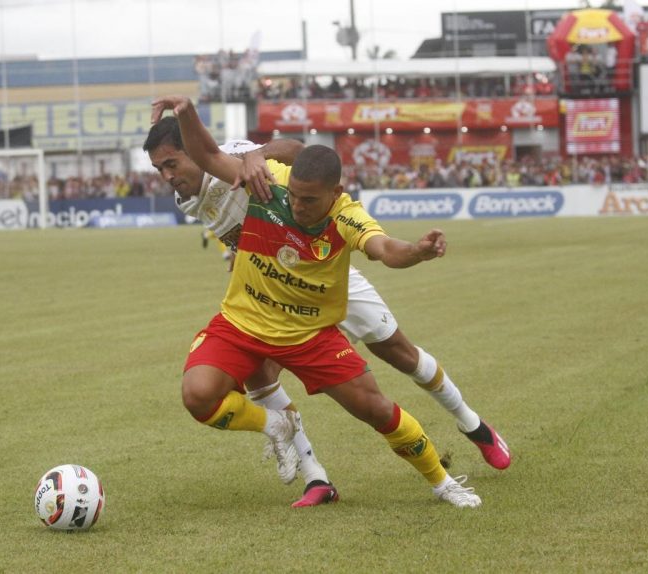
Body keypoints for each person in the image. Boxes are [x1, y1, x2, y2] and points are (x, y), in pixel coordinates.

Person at [152, 95, 483, 508]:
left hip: (308, 330)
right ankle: (278, 427)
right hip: (245, 321)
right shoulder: (266, 184)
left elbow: (384, 249)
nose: (296, 206)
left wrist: (417, 251)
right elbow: (207, 154)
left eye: (309, 199)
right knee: (197, 395)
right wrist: (185, 112)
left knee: (378, 408)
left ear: (335, 193)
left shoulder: (347, 216)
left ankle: (443, 481)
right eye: (293, 196)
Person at [144, 123, 336, 507]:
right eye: (158, 169)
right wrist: (241, 251)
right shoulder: (187, 198)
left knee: (397, 356)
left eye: (170, 163)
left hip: (317, 275)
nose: (166, 176)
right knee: (255, 378)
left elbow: (297, 149)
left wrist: (256, 152)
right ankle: (314, 474)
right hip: (265, 290)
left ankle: (469, 428)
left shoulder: (228, 155)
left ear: (193, 151)